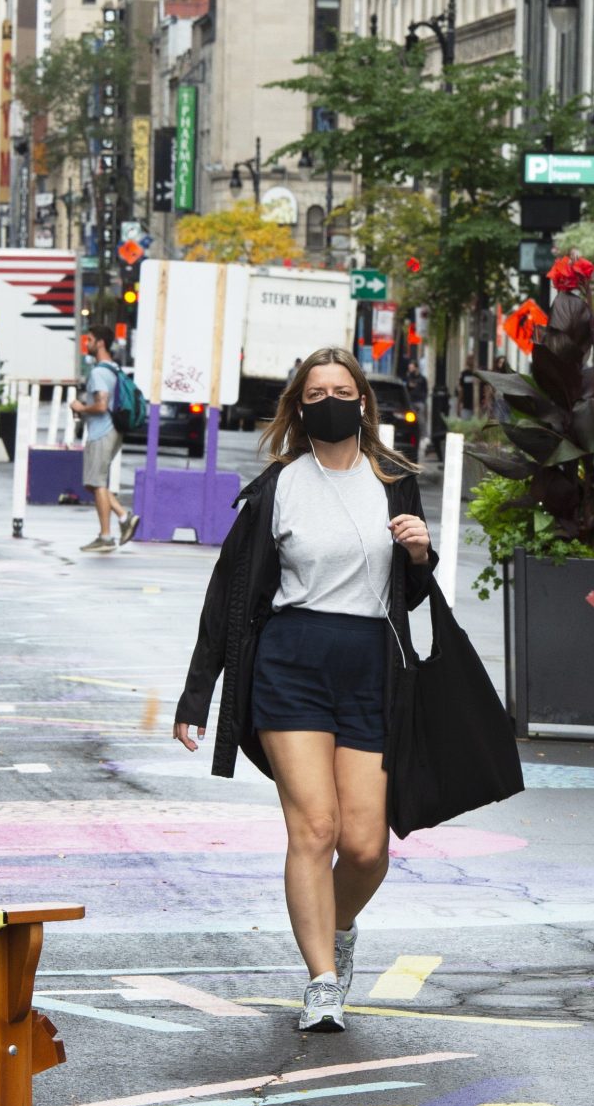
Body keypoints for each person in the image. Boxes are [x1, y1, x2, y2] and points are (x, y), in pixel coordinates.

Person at [172, 346, 434, 1035]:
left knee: (368, 845)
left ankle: (337, 923)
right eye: (314, 392)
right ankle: (321, 979)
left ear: (364, 401)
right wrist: (197, 695)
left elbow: (417, 598)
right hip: (291, 663)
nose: (329, 401)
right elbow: (228, 594)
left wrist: (418, 554)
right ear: (297, 405)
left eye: (341, 389)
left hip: (371, 663)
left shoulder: (394, 480)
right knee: (314, 828)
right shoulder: (277, 486)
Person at [72, 327, 138, 552]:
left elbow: (101, 405)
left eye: (89, 339)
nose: (86, 343)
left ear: (100, 343)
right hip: (114, 431)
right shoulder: (114, 368)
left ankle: (107, 536)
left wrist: (81, 407)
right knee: (93, 483)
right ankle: (122, 517)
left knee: (97, 483)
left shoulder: (98, 373)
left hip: (102, 431)